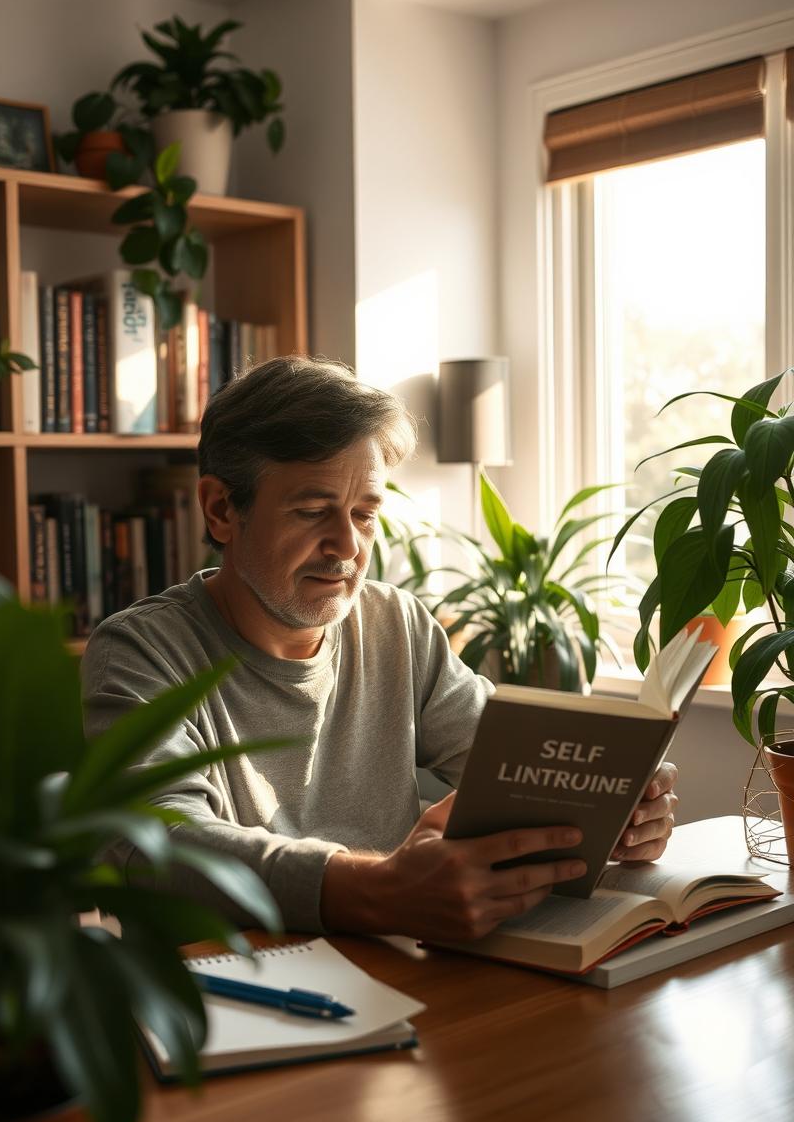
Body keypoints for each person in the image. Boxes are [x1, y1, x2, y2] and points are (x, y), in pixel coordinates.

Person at [82, 356, 678, 941]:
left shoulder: (397, 624)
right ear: (220, 509)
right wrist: (374, 888)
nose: (347, 545)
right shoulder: (141, 651)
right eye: (313, 511)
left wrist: (611, 809)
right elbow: (159, 843)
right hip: (234, 984)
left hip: (395, 959)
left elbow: (510, 762)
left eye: (365, 515)